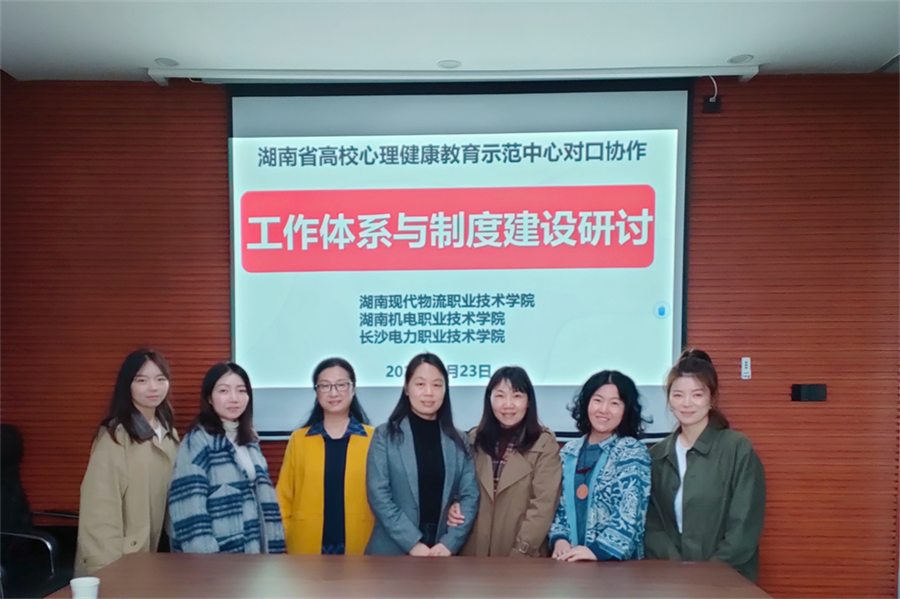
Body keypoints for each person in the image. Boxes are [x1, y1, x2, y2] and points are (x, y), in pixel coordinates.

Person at [644, 349, 766, 582]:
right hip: (671, 580)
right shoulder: (657, 456)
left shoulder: (737, 449)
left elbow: (744, 526)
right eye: (678, 395)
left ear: (712, 398)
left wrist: (708, 575)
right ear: (669, 400)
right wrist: (678, 569)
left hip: (727, 581)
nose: (686, 403)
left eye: (697, 395)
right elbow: (651, 525)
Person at [74, 349, 179, 576]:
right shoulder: (115, 437)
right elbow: (99, 511)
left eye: (160, 379)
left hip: (155, 555)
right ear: (127, 385)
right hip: (118, 560)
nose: (153, 387)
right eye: (142, 380)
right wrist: (106, 571)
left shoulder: (168, 432)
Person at [365, 353, 479, 556]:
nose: (429, 392)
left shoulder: (459, 440)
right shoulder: (385, 436)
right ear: (406, 389)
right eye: (420, 384)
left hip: (441, 551)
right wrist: (413, 544)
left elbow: (469, 495)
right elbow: (379, 496)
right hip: (391, 552)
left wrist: (448, 544)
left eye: (437, 385)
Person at [168, 362, 285, 554]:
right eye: (223, 391)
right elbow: (190, 516)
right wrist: (210, 563)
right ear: (209, 398)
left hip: (255, 558)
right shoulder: (197, 442)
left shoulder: (250, 442)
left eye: (241, 390)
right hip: (218, 563)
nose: (234, 398)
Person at [452, 366, 562, 557]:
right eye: (500, 396)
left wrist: (521, 551)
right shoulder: (473, 439)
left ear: (528, 401)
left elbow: (543, 505)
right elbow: (459, 488)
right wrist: (454, 505)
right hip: (472, 553)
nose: (508, 404)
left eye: (517, 396)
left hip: (521, 556)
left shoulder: (544, 443)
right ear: (489, 400)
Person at [548, 370, 651, 562]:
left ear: (626, 409)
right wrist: (559, 539)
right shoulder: (568, 452)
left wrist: (597, 551)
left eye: (614, 403)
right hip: (569, 563)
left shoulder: (631, 451)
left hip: (616, 567)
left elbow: (630, 511)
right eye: (597, 400)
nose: (604, 409)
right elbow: (557, 506)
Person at [276, 357, 375, 554]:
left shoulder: (373, 438)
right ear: (317, 391)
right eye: (325, 386)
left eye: (341, 385)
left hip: (362, 546)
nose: (333, 393)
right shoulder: (299, 439)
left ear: (353, 389)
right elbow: (283, 498)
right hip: (305, 547)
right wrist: (285, 535)